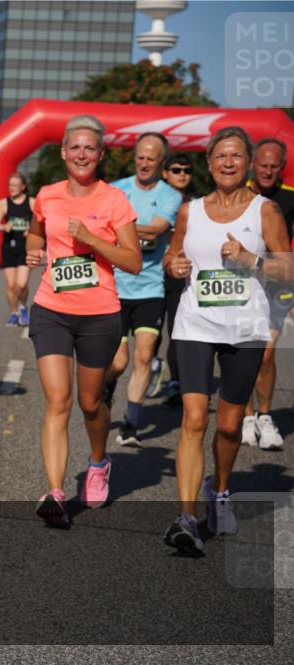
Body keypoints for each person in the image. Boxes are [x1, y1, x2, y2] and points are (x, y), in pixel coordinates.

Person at [162, 126, 292, 555]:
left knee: (230, 424)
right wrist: (175, 264)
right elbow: (174, 255)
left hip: (245, 327)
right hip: (195, 324)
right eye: (220, 156)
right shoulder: (189, 210)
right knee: (194, 419)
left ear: (249, 163)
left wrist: (250, 260)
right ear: (209, 162)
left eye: (236, 156)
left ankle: (218, 491)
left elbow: (287, 271)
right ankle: (184, 517)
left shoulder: (265, 210)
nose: (228, 163)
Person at [25, 114, 141, 528]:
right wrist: (35, 251)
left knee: (90, 403)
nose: (81, 154)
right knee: (57, 400)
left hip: (99, 315)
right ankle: (55, 491)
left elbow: (132, 260)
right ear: (62, 152)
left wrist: (93, 239)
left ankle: (97, 463)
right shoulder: (48, 195)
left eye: (89, 147)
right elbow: (35, 232)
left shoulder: (113, 200)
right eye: (74, 146)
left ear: (100, 154)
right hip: (51, 310)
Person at [104, 132, 182, 447]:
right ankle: (108, 389)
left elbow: (157, 229)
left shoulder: (170, 195)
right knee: (119, 361)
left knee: (145, 356)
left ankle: (131, 425)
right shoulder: (116, 189)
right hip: (116, 287)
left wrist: (120, 228)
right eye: (140, 157)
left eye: (151, 158)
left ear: (161, 162)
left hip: (150, 288)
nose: (145, 163)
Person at [242, 138, 294, 450]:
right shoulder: (239, 195)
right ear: (253, 164)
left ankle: (264, 415)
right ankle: (247, 417)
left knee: (266, 353)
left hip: (277, 284)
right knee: (244, 351)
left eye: (275, 166)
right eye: (263, 164)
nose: (268, 170)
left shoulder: (290, 199)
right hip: (242, 283)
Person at [159, 153, 196, 405]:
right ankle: (149, 364)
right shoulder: (152, 198)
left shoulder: (196, 204)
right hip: (148, 274)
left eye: (186, 169)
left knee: (176, 329)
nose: (182, 173)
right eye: (175, 169)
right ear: (165, 173)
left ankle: (175, 381)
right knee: (149, 336)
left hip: (178, 274)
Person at [0, 173, 35, 326]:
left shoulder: (31, 202)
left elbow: (41, 222)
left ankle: (23, 307)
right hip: (9, 247)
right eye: (10, 185)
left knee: (22, 284)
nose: (12, 188)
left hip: (25, 248)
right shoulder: (5, 203)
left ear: (23, 187)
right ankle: (14, 312)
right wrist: (4, 226)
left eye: (15, 185)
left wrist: (31, 229)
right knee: (11, 285)